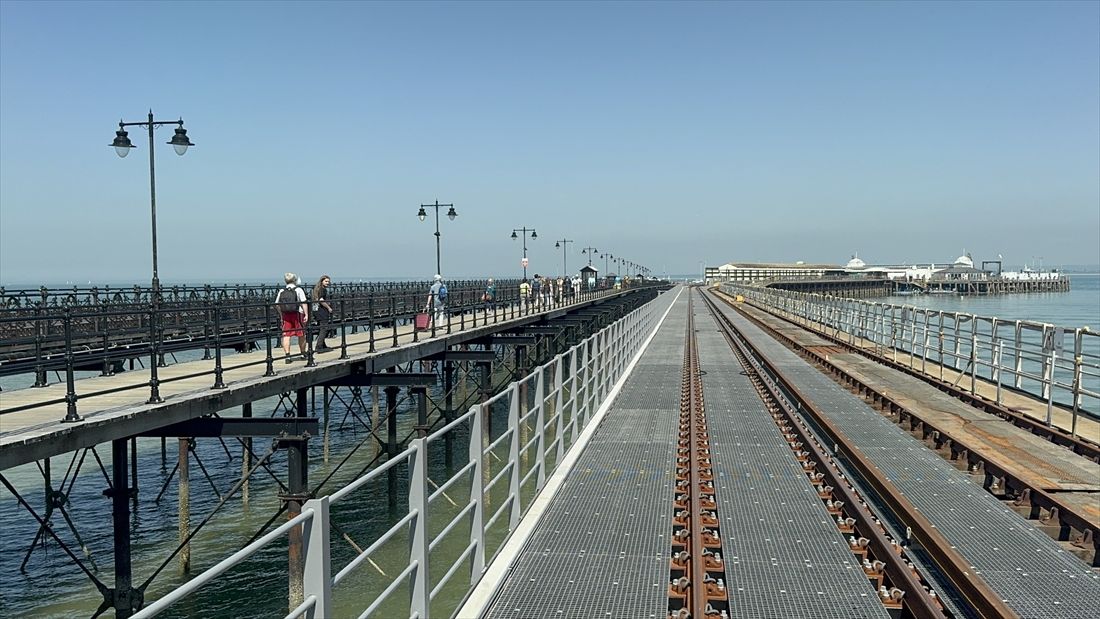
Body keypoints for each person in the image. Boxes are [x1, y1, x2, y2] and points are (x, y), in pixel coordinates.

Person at [277, 272, 308, 363]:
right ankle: (303, 353)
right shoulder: (298, 290)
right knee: (301, 334)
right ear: (294, 280)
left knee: (286, 335)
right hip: (297, 314)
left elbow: (277, 304)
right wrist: (306, 314)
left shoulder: (282, 291)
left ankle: (287, 356)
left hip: (286, 315)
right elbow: (304, 302)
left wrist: (281, 314)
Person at [312, 275, 333, 352]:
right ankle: (319, 346)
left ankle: (323, 345)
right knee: (324, 328)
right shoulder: (322, 289)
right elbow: (321, 300)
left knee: (321, 328)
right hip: (322, 311)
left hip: (316, 311)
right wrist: (328, 307)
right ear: (322, 281)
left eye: (328, 281)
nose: (327, 283)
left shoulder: (316, 289)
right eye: (326, 281)